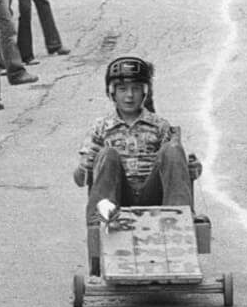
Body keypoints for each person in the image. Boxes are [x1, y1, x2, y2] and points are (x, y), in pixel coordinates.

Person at [72, 55, 201, 223]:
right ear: (112, 92)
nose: (129, 96)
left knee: (173, 149)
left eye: (136, 89)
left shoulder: (160, 126)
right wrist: (85, 167)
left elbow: (177, 171)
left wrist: (193, 168)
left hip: (153, 193)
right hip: (117, 198)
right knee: (107, 153)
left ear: (144, 92)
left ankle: (179, 219)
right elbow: (80, 180)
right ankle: (99, 221)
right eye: (122, 89)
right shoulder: (101, 128)